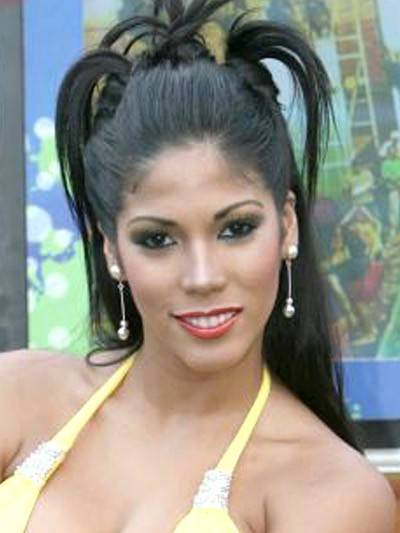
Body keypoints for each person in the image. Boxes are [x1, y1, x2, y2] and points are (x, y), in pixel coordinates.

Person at [0, 0, 396, 531]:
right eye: (157, 239)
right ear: (111, 249)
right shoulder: (17, 396)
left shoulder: (330, 492)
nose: (202, 276)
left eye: (236, 229)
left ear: (287, 227)